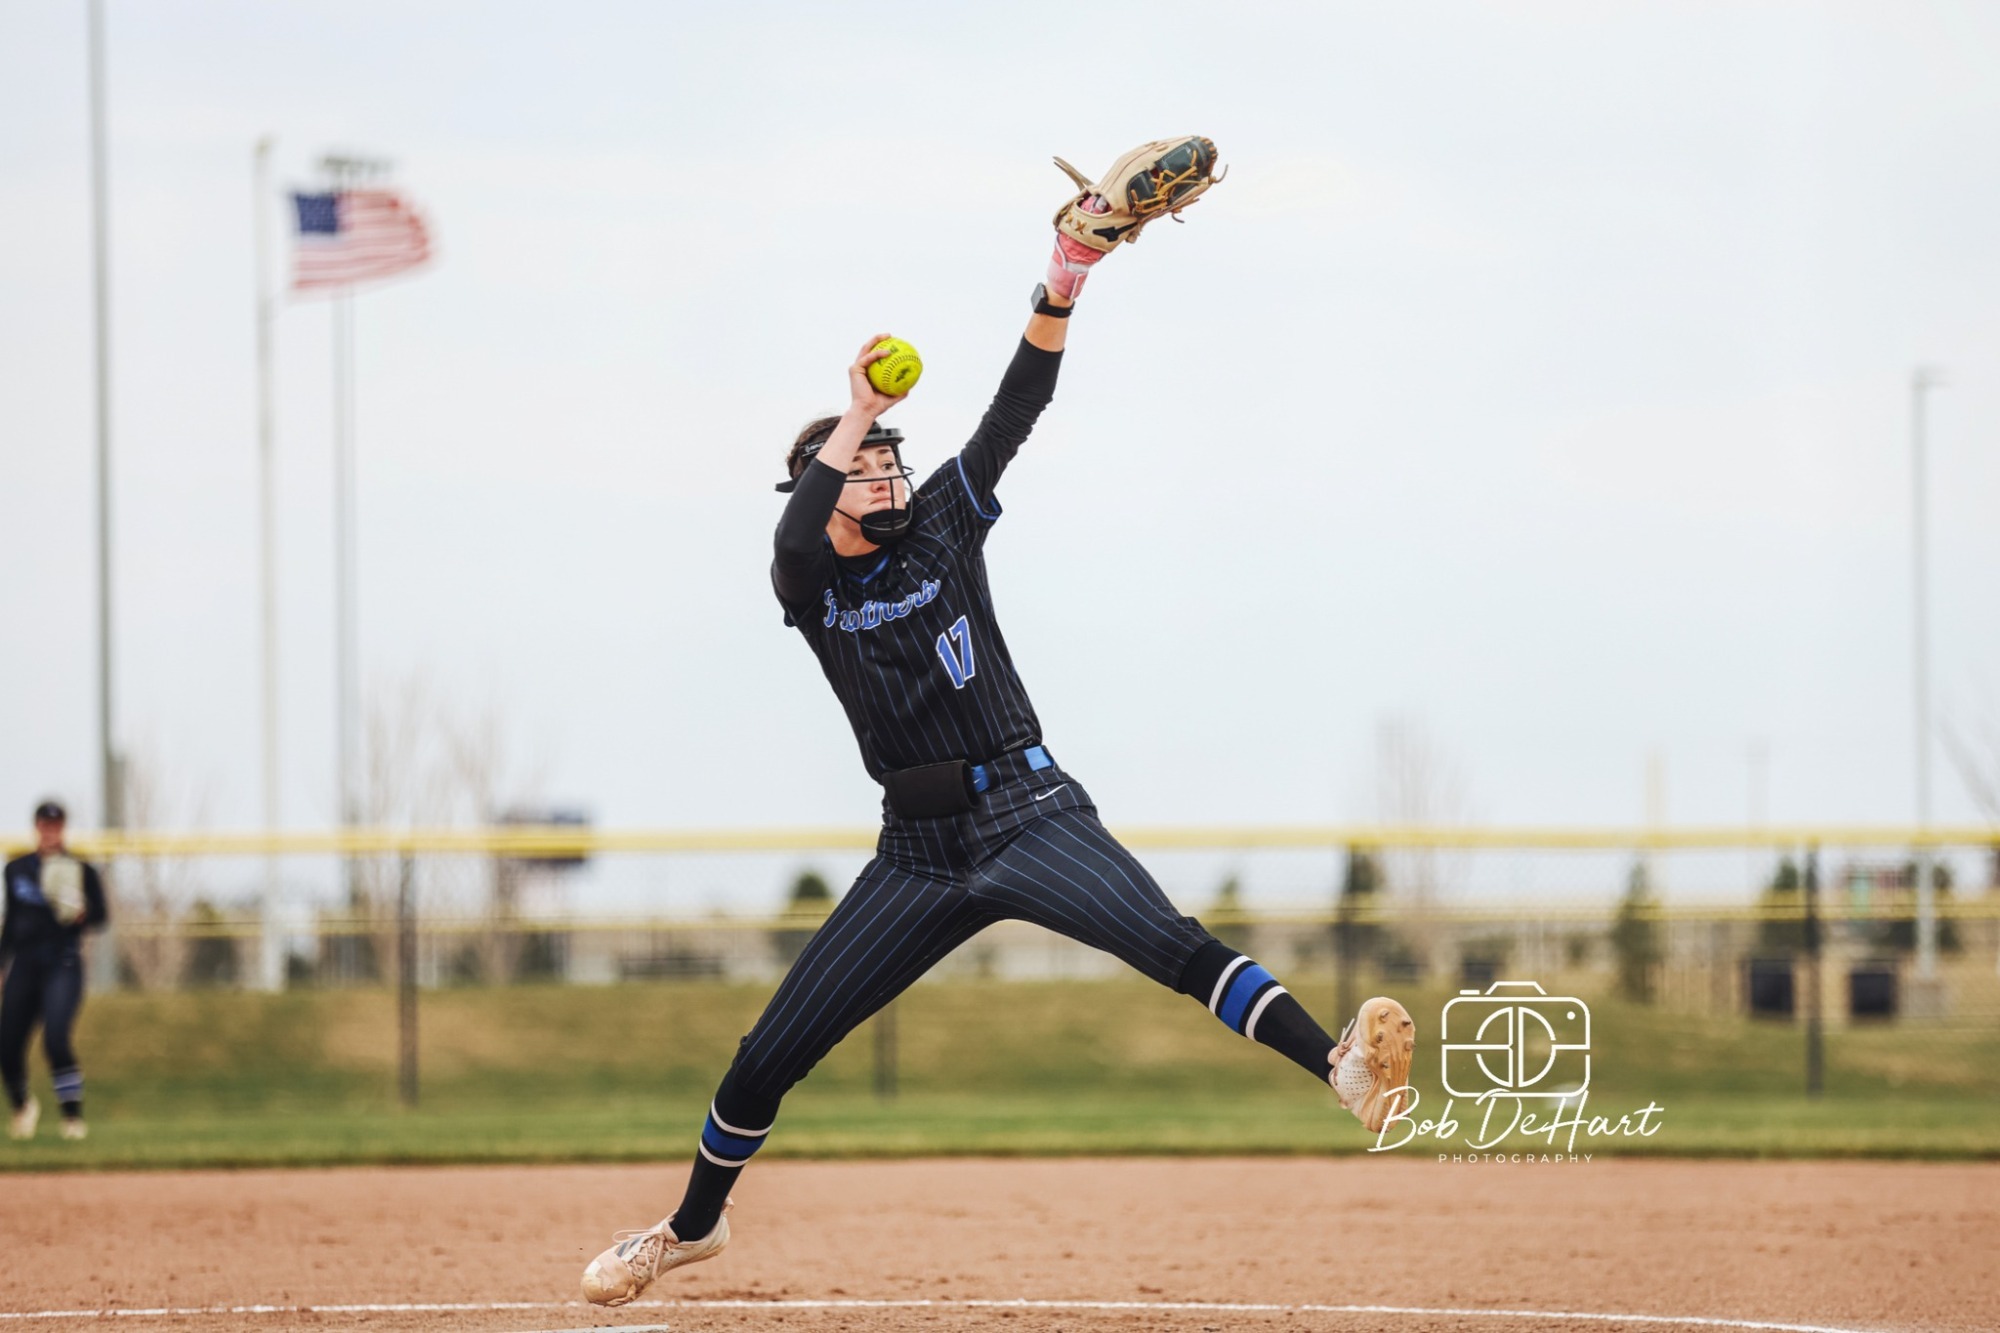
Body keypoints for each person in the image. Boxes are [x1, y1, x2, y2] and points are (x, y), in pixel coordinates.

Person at [581, 138, 1416, 1306]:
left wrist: (1065, 267)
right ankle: (687, 1229)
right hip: (914, 856)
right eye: (866, 459)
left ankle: (1333, 1065)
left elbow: (1016, 403)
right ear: (821, 487)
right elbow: (787, 540)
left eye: (888, 452)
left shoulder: (939, 529)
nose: (888, 467)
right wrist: (855, 409)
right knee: (766, 1056)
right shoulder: (812, 586)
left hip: (1028, 811)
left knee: (1170, 946)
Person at [3, 800, 109, 1142]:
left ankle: (72, 1118)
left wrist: (83, 914)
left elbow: (100, 916)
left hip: (62, 962)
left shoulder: (80, 869)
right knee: (6, 1045)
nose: (50, 831)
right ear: (37, 827)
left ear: (63, 827)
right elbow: (12, 922)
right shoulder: (17, 869)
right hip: (24, 963)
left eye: (56, 824)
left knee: (56, 1039)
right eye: (45, 825)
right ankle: (23, 1107)